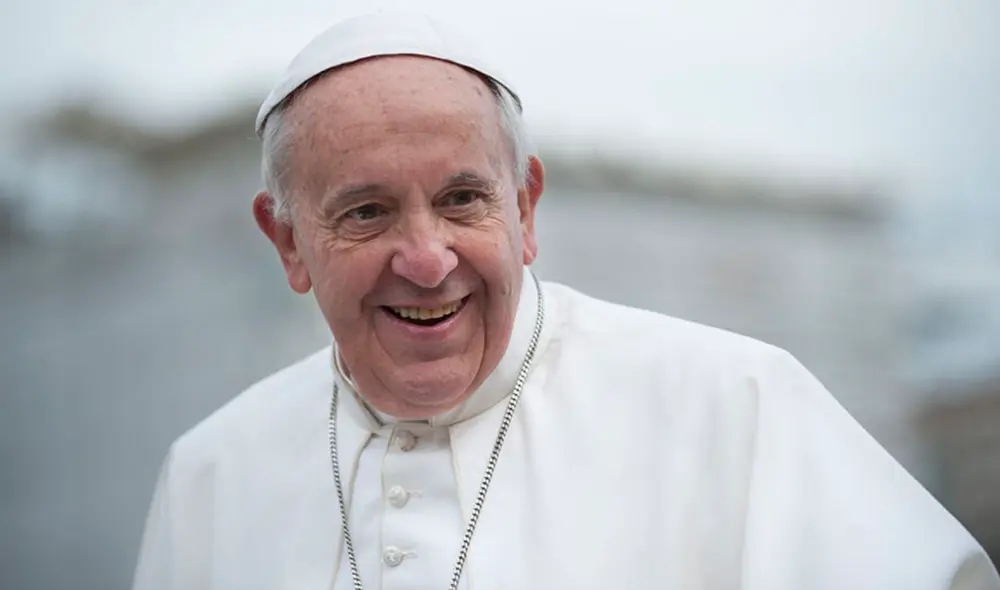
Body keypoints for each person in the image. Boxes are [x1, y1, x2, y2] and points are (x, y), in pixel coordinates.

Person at [132, 11, 999, 590]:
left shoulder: (737, 404)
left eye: (464, 200)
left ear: (526, 207)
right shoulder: (210, 476)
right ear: (287, 241)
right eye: (366, 212)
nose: (427, 260)